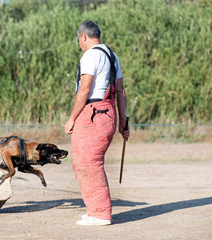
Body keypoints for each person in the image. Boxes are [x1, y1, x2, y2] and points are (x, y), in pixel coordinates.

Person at [64, 20, 129, 226]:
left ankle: (100, 213)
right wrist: (123, 123)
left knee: (88, 163)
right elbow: (120, 91)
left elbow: (84, 89)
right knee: (85, 162)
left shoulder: (90, 55)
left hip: (93, 112)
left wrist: (72, 118)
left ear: (83, 36)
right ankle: (94, 209)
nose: (79, 43)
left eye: (79, 39)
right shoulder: (112, 55)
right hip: (108, 112)